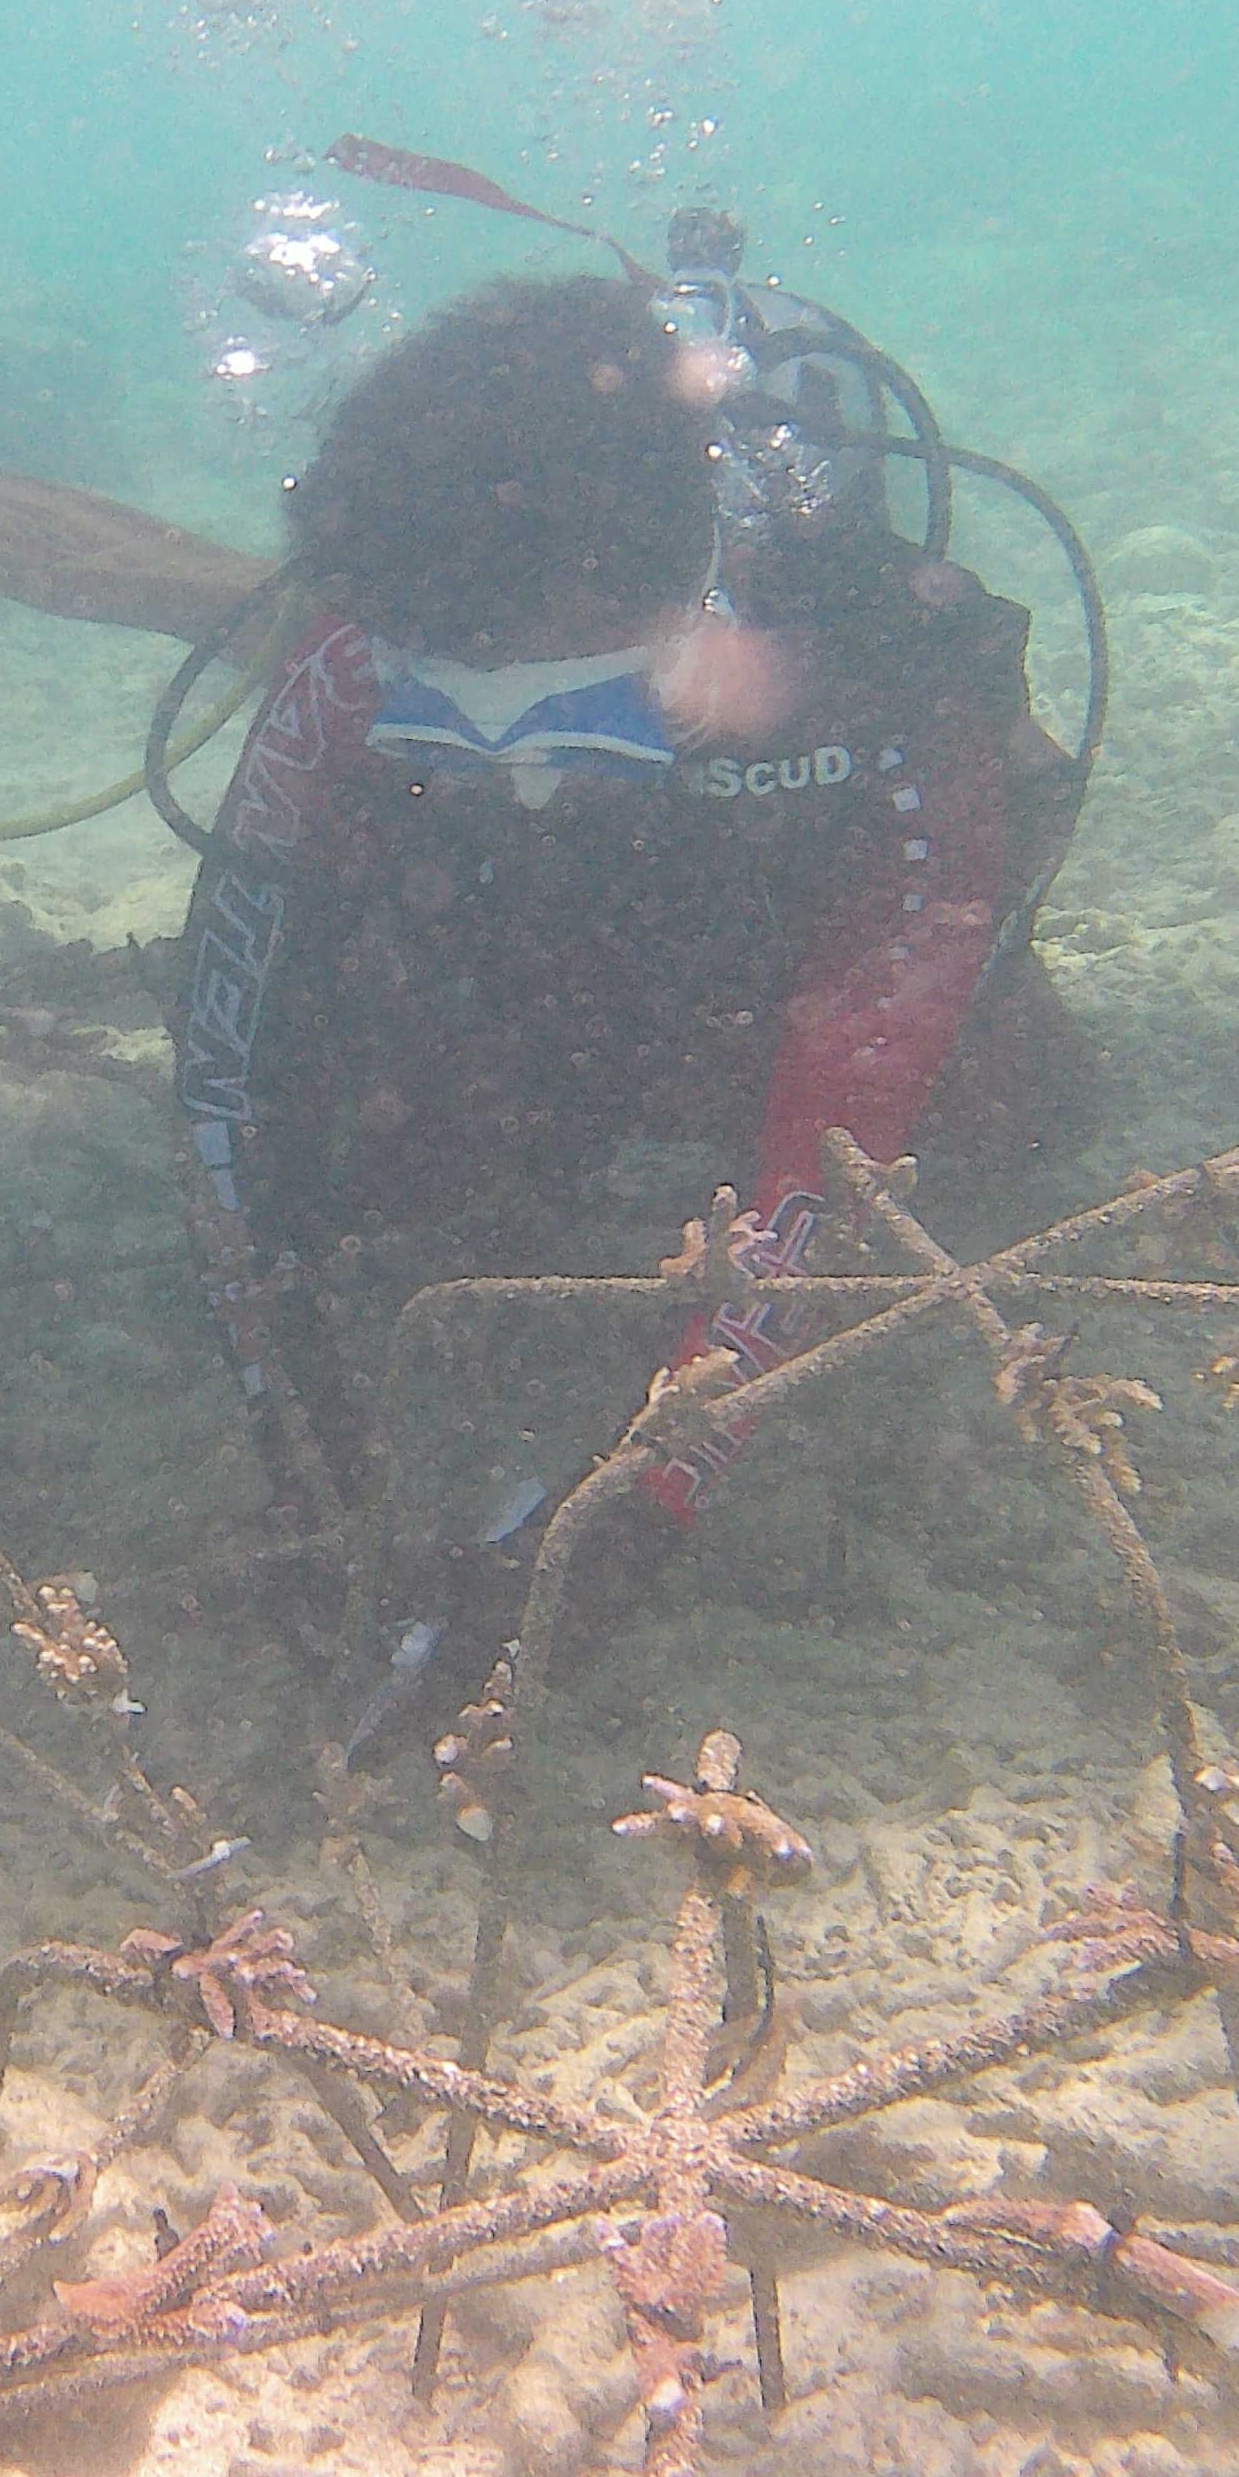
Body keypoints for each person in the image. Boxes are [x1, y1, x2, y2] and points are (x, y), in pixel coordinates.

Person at [168, 257, 1090, 1634]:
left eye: (564, 717)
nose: (516, 768)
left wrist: (638, 1512)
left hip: (763, 936)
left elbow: (835, 1139)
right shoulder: (370, 628)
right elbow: (224, 1055)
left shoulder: (876, 677)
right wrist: (297, 1431)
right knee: (395, 1137)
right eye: (442, 710)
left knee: (1022, 1106)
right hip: (518, 945)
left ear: (695, 608)